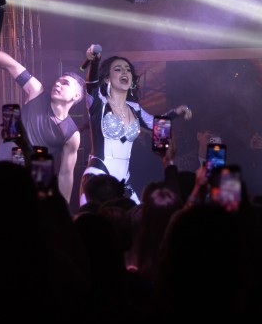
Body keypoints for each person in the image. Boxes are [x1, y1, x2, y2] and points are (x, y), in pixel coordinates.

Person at [0, 49, 84, 210]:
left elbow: (66, 175)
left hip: (33, 186)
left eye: (65, 83)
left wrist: (63, 212)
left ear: (76, 96)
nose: (58, 84)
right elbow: (11, 64)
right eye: (58, 81)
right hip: (4, 171)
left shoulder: (72, 134)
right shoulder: (37, 92)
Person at [81, 46, 191, 205]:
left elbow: (157, 123)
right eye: (118, 69)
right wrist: (95, 63)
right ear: (106, 79)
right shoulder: (99, 104)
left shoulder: (135, 109)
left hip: (123, 181)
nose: (124, 72)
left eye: (127, 70)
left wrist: (177, 112)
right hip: (97, 177)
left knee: (139, 215)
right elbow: (91, 85)